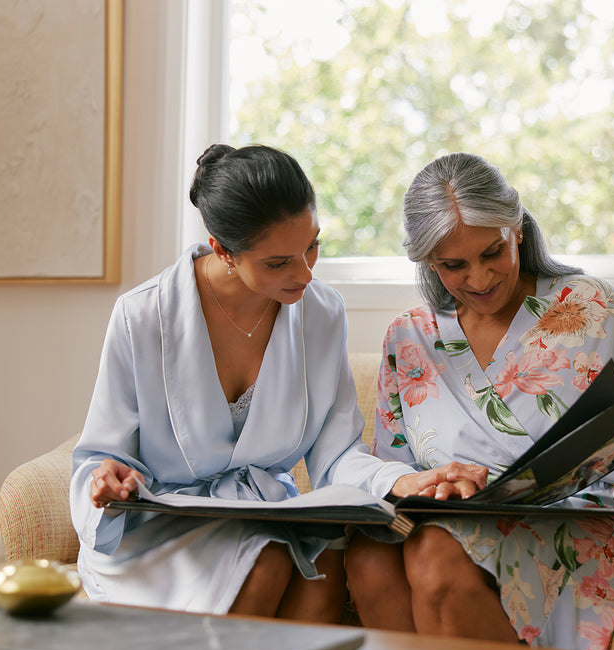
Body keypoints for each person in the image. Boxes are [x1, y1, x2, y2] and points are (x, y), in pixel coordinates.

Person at [69, 144, 486, 622]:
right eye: (278, 262)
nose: (306, 273)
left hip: (264, 519)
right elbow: (101, 457)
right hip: (162, 531)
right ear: (223, 250)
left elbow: (336, 457)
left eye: (313, 246)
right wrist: (109, 479)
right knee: (266, 561)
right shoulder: (142, 317)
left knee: (326, 557)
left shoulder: (322, 313)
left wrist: (404, 480)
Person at [345, 152, 614, 650]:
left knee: (436, 551)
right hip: (459, 523)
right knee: (369, 554)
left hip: (590, 522)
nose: (479, 280)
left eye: (492, 253)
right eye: (453, 266)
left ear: (517, 229)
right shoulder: (409, 336)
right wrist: (434, 486)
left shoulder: (590, 306)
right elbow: (394, 473)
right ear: (426, 261)